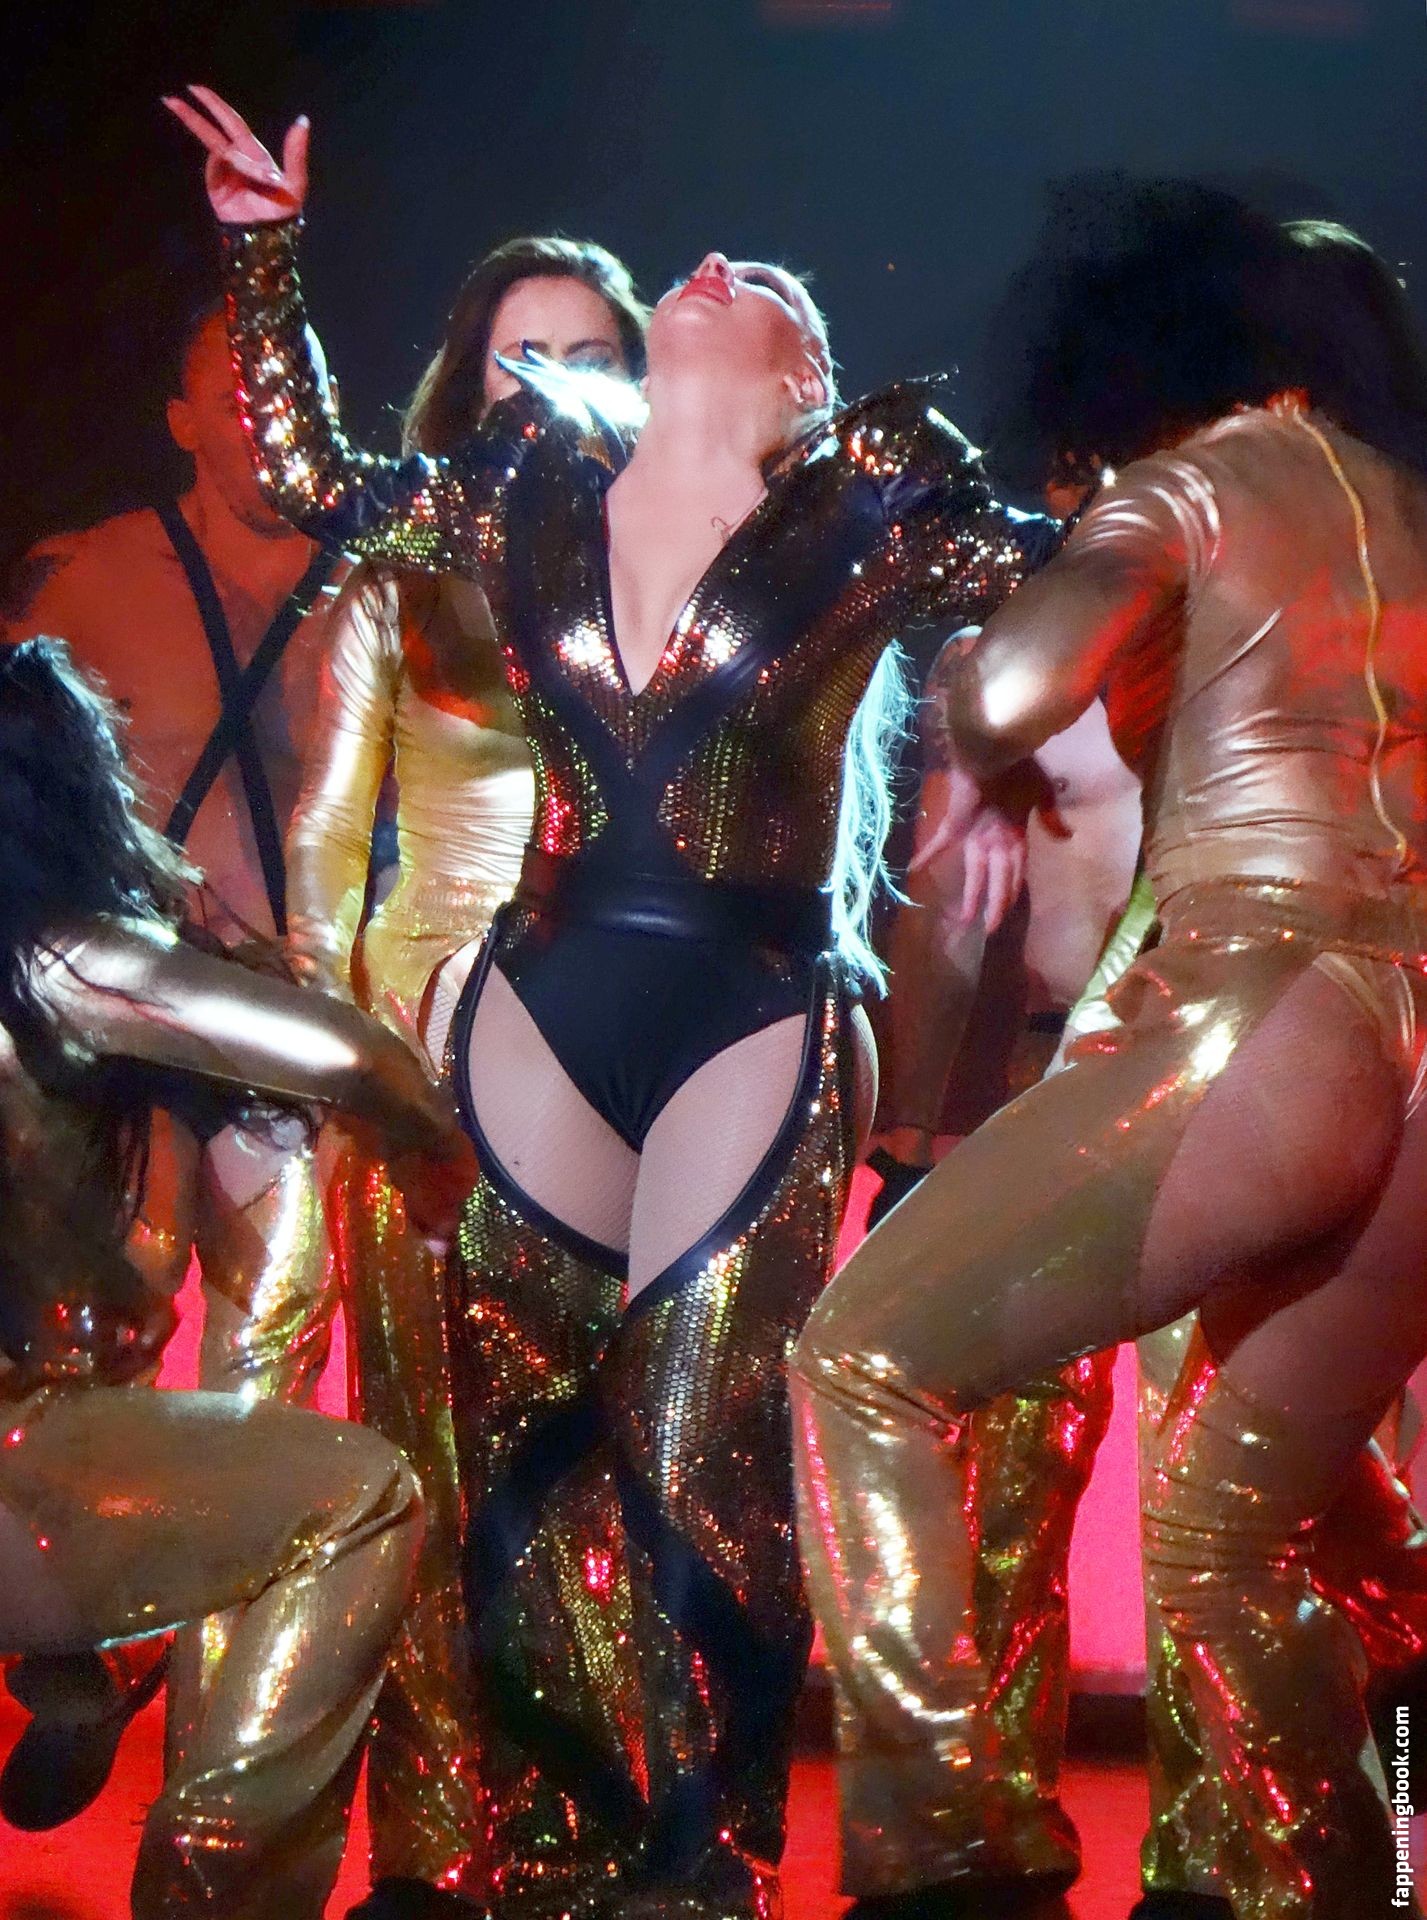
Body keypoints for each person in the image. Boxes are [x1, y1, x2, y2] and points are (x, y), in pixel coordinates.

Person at [166, 83, 1056, 1920]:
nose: (721, 265)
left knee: (692, 1444)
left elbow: (1071, 575)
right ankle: (537, 1853)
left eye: (772, 289)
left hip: (751, 1013)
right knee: (519, 1451)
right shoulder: (526, 486)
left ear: (808, 381)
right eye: (712, 267)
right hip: (539, 994)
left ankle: (701, 1862)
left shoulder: (874, 499)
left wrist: (1007, 753)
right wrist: (265, 257)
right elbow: (320, 481)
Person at [791, 176, 1427, 1919]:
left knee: (861, 1362)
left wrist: (1028, 615)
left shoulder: (1197, 482)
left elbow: (1002, 698)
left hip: (1271, 1020)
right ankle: (1315, 1887)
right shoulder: (1407, 514)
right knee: (1233, 1544)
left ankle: (946, 1858)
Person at [0, 632, 478, 1919]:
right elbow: (345, 1054)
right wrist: (429, 1145)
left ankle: (83, 1660)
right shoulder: (53, 957)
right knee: (360, 1497)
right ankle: (213, 1879)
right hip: (17, 1469)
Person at [285, 235, 646, 1918]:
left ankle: (590, 1832)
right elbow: (324, 837)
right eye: (521, 354)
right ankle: (438, 1846)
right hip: (428, 1044)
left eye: (589, 353)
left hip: (621, 1050)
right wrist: (344, 1055)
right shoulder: (400, 574)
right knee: (424, 1446)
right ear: (467, 381)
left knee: (600, 1457)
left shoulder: (678, 570)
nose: (554, 385)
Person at [0, 298, 349, 1815]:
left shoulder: (383, 580)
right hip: (127, 1049)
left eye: (290, 385)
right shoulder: (89, 575)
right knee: (91, 1363)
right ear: (182, 418)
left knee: (265, 1379)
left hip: (292, 1048)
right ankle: (80, 1640)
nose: (267, 414)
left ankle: (215, 1759)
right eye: (236, 387)